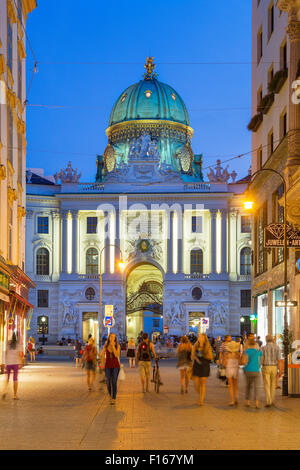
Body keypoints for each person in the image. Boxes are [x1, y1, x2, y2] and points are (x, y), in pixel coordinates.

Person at [191, 333, 213, 406]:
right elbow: (192, 355)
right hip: (197, 365)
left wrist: (206, 356)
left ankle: (201, 400)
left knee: (203, 383)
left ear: (204, 338)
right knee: (196, 383)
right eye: (199, 337)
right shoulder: (195, 345)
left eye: (201, 337)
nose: (200, 338)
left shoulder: (208, 346)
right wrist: (195, 357)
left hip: (205, 364)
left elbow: (211, 357)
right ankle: (200, 395)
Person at [261, 334, 282, 407]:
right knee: (273, 384)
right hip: (274, 367)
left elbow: (261, 359)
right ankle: (272, 400)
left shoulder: (263, 348)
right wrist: (281, 370)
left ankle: (268, 401)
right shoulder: (277, 347)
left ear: (266, 340)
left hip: (266, 367)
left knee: (267, 384)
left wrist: (261, 365)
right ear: (272, 339)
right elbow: (279, 360)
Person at [2, 333, 23, 400]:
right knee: (15, 379)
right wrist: (21, 362)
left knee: (7, 379)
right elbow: (20, 354)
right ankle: (15, 395)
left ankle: (4, 391)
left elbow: (6, 353)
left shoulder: (8, 343)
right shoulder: (18, 344)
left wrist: (5, 362)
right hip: (15, 363)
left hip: (8, 363)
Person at [244, 335, 263, 408]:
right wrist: (258, 367)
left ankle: (248, 402)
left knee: (248, 386)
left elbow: (245, 361)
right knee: (257, 387)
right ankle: (257, 403)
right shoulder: (259, 352)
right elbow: (260, 362)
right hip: (256, 370)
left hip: (248, 370)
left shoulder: (246, 351)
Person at [101, 333, 121, 404]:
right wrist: (102, 363)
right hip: (107, 365)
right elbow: (102, 355)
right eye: (111, 337)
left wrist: (113, 346)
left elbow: (116, 355)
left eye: (114, 337)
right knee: (108, 381)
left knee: (114, 382)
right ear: (109, 338)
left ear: (115, 338)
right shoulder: (105, 346)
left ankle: (114, 398)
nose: (112, 338)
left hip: (116, 366)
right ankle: (110, 395)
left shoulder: (117, 346)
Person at [223, 341, 240, 406]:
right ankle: (237, 398)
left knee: (231, 386)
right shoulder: (237, 354)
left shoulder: (226, 354)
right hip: (235, 370)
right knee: (236, 385)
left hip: (229, 370)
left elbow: (224, 364)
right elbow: (240, 362)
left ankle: (232, 401)